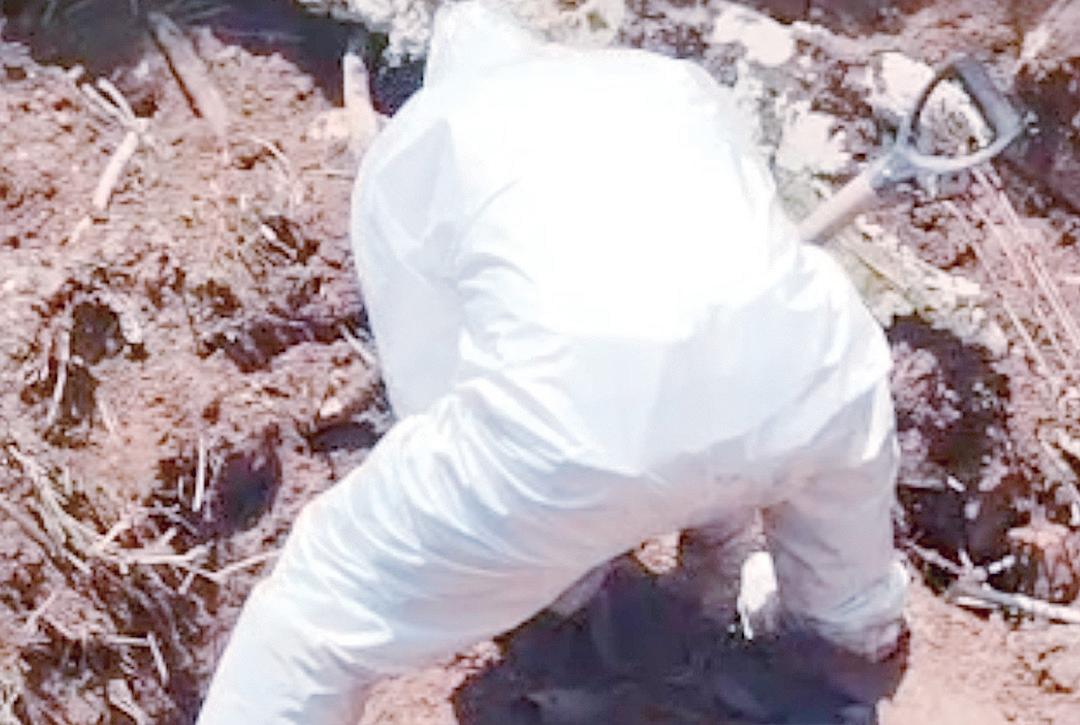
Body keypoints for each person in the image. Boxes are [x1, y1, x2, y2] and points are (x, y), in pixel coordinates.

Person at [197, 2, 908, 722]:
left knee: (314, 618)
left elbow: (431, 390)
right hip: (821, 376)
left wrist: (556, 574)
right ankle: (845, 652)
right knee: (842, 606)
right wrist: (710, 511)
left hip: (568, 428)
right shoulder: (665, 84)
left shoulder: (417, 145)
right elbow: (725, 297)